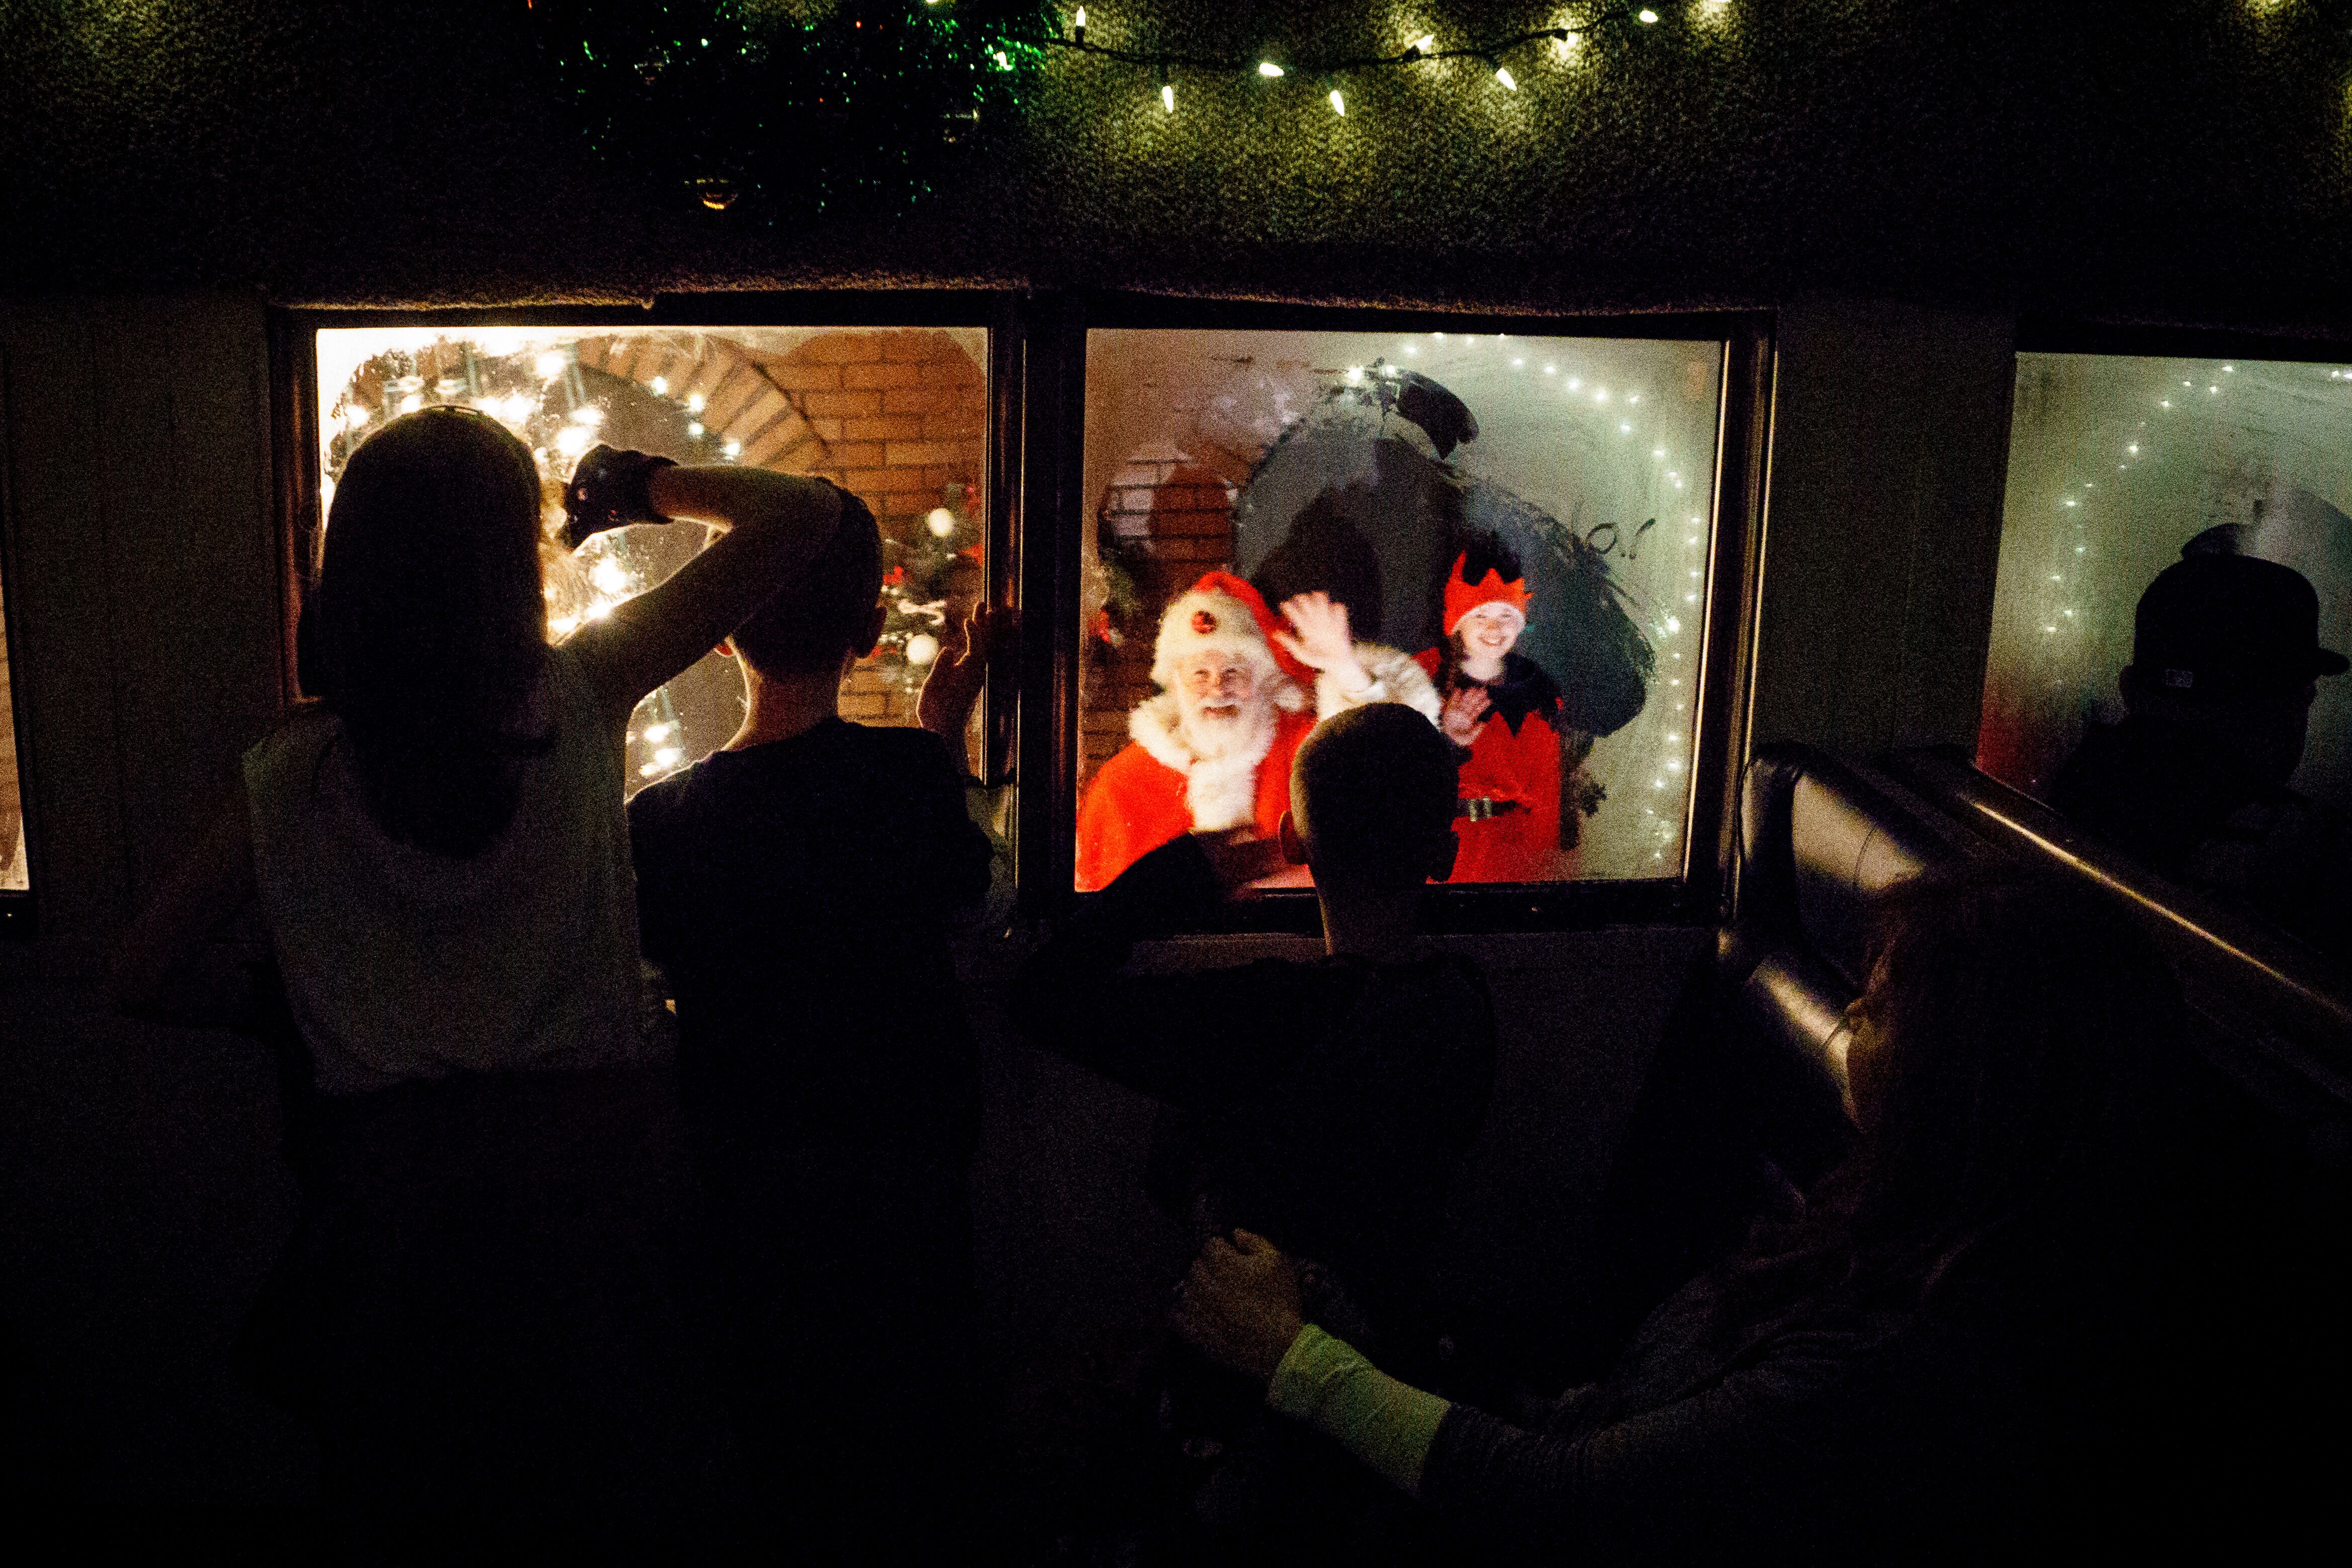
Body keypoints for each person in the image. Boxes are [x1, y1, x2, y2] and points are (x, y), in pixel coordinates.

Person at [111, 413, 846, 1548]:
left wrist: (290, 1004)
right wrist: (642, 485)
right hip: (590, 1200)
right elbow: (806, 515)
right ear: (512, 568)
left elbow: (141, 971)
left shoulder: (291, 772)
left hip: (390, 1222)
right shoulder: (584, 690)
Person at [1168, 864, 2192, 1563]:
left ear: (1964, 1074)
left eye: (1878, 1009)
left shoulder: (1911, 1360)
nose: (1846, 1020)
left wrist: (1292, 1356)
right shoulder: (1882, 1222)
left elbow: (1557, 1502)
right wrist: (1350, 1342)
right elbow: (1610, 1426)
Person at [1015, 703, 1497, 1556]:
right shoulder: (1463, 1008)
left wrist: (1175, 880)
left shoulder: (1262, 1019)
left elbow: (1041, 996)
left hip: (1235, 1392)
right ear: (1445, 852)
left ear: (1292, 839)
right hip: (1395, 1355)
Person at [626, 483, 993, 1561]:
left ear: (722, 633)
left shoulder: (660, 821)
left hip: (748, 1196)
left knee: (781, 1469)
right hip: (906, 1189)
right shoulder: (909, 781)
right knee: (915, 1469)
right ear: (869, 633)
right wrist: (945, 729)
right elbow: (981, 898)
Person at [2050, 542, 2351, 952]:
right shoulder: (2309, 862)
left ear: (2130, 690)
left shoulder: (2069, 791)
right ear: (2279, 715)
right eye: (2306, 696)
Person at [1074, 572, 1439, 891]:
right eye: (1200, 674)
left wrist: (1344, 668)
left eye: (1234, 672)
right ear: (1175, 682)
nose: (1218, 689)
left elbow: (1398, 763)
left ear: (1263, 679)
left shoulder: (1308, 751)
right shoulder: (1121, 785)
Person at [1417, 539, 1600, 882]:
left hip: (1509, 854)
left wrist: (1542, 865)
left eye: (1505, 615)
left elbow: (1546, 792)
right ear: (1457, 620)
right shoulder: (1421, 676)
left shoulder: (1540, 692)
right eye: (1480, 615)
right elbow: (1395, 775)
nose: (1494, 629)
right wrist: (1446, 739)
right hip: (1438, 847)